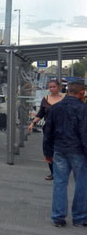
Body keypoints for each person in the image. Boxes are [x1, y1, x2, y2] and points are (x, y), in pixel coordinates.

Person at [43, 80, 87, 227]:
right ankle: (80, 217)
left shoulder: (55, 108)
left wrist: (48, 152)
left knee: (60, 183)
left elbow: (47, 131)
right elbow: (84, 133)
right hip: (78, 151)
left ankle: (58, 217)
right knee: (82, 183)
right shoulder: (83, 108)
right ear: (81, 93)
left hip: (59, 150)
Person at [28, 79, 65, 180]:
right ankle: (53, 172)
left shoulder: (65, 98)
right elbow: (41, 113)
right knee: (48, 151)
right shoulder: (45, 98)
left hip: (62, 129)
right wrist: (33, 123)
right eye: (50, 87)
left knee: (61, 151)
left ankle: (62, 171)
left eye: (54, 87)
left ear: (59, 87)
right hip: (48, 129)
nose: (52, 89)